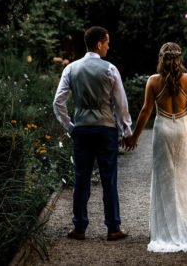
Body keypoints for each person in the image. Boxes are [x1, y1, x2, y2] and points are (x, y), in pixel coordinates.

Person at [126, 42, 187, 252]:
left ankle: (166, 231)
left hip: (163, 129)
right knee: (186, 177)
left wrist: (134, 137)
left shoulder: (153, 81)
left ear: (161, 58)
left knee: (164, 178)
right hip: (183, 130)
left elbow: (146, 111)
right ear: (179, 58)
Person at [53, 26, 132, 241]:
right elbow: (121, 104)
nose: (108, 46)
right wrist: (126, 131)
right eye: (107, 42)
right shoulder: (110, 69)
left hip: (82, 130)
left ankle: (79, 228)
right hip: (106, 130)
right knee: (109, 179)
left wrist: (70, 126)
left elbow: (58, 102)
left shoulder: (71, 69)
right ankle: (113, 228)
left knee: (81, 179)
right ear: (99, 44)